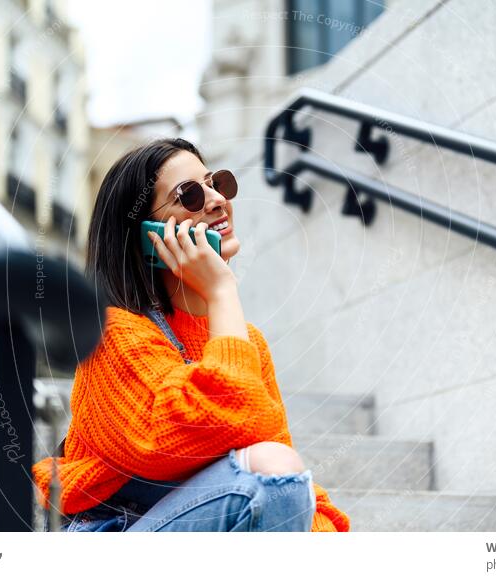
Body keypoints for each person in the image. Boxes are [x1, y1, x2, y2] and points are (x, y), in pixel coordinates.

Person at [32, 138, 349, 532]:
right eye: (190, 195)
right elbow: (191, 435)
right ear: (149, 235)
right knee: (272, 474)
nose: (217, 200)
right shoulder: (114, 337)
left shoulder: (247, 343)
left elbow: (294, 482)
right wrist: (221, 290)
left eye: (216, 183)